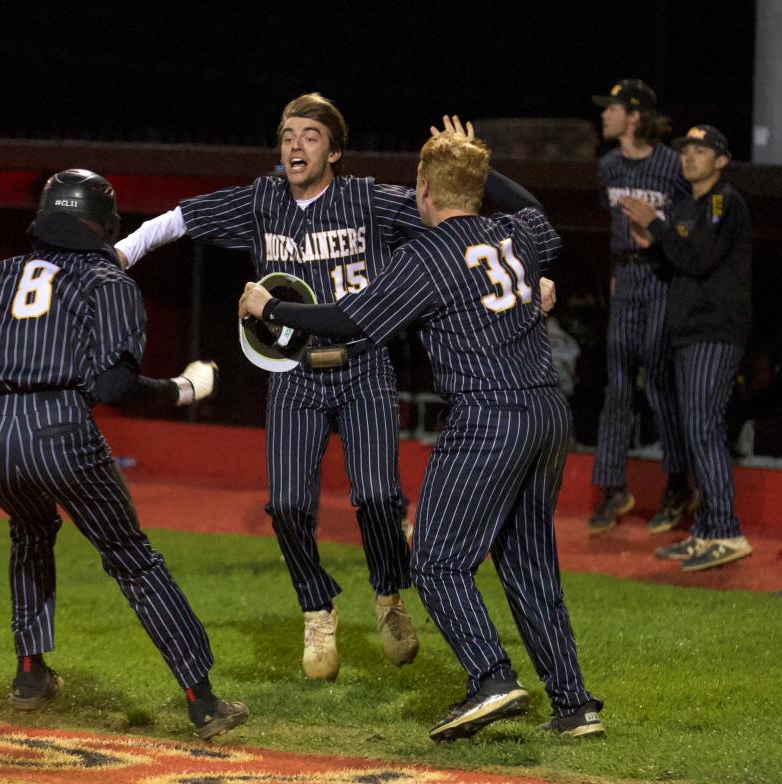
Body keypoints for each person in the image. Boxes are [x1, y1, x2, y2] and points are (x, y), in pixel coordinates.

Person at [240, 119, 603, 740]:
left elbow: (348, 319)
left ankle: (491, 678)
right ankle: (573, 705)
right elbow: (536, 210)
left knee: (435, 564)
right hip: (547, 414)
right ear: (478, 186)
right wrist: (477, 165)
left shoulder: (427, 255)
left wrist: (270, 308)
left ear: (426, 188)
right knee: (528, 564)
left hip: (489, 416)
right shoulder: (514, 233)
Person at [116, 93, 421, 681]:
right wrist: (122, 252)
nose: (295, 146)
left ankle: (389, 598)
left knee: (380, 496)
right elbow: (182, 218)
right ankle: (317, 610)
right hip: (293, 374)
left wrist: (526, 265)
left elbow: (448, 220)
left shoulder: (369, 198)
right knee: (285, 505)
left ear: (334, 150)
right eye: (287, 136)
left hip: (363, 367)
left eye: (309, 135)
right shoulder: (263, 200)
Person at [0, 168, 248, 740]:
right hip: (58, 430)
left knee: (30, 532)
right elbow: (113, 387)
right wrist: (184, 388)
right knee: (132, 559)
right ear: (105, 223)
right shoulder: (107, 281)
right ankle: (202, 700)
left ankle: (30, 675)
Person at [620, 125, 753, 571]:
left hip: (713, 331)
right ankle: (709, 531)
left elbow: (699, 258)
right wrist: (651, 244)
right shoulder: (687, 205)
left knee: (703, 429)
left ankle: (727, 531)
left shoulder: (723, 201)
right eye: (686, 150)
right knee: (697, 429)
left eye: (701, 150)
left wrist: (656, 225)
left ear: (721, 160)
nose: (690, 156)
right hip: (690, 331)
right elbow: (677, 267)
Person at [588, 79, 694, 535]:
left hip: (662, 277)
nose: (603, 116)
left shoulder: (672, 166)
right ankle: (613, 488)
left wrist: (661, 236)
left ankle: (677, 485)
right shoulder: (609, 166)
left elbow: (691, 223)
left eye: (611, 108)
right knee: (616, 385)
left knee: (659, 382)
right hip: (626, 278)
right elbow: (613, 223)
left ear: (633, 115)